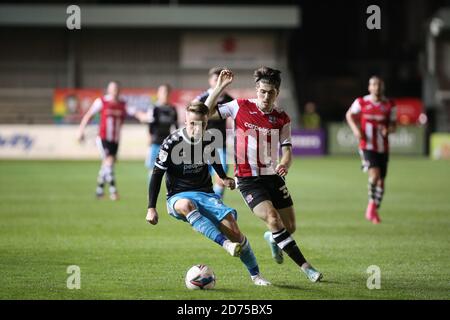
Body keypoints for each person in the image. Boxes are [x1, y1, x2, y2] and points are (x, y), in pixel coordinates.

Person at [204, 67, 323, 283]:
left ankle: (272, 238)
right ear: (257, 89)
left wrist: (285, 164)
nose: (266, 96)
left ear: (277, 93)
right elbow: (205, 112)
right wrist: (219, 87)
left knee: (290, 227)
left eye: (271, 93)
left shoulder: (282, 118)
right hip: (248, 180)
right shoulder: (239, 106)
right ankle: (307, 268)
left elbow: (287, 151)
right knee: (272, 218)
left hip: (272, 176)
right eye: (263, 91)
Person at [145, 101, 271, 286]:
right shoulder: (171, 142)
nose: (198, 128)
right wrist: (151, 208)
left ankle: (256, 276)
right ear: (185, 121)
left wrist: (223, 177)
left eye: (203, 124)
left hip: (206, 194)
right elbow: (156, 175)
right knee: (186, 205)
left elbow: (214, 160)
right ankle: (225, 245)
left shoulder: (209, 139)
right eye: (193, 124)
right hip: (178, 196)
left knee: (235, 232)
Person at [346, 76, 397, 224]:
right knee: (374, 175)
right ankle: (370, 206)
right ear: (369, 87)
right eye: (374, 84)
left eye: (379, 84)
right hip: (366, 145)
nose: (376, 87)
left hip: (383, 147)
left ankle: (374, 208)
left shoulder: (390, 105)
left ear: (383, 87)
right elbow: (349, 115)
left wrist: (389, 130)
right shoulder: (361, 102)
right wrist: (356, 130)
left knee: (381, 182)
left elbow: (394, 125)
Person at [77, 81, 136, 200]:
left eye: (117, 89)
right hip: (103, 138)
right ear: (108, 90)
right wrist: (80, 130)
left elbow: (135, 112)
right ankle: (113, 191)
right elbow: (89, 115)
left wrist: (146, 116)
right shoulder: (101, 101)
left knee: (107, 165)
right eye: (113, 89)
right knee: (109, 162)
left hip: (115, 139)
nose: (115, 91)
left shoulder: (123, 104)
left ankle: (99, 191)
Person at [193, 67, 234, 199]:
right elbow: (192, 117)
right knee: (202, 178)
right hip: (203, 145)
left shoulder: (229, 99)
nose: (218, 83)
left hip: (220, 144)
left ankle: (216, 202)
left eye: (220, 80)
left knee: (221, 177)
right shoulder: (202, 98)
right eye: (216, 80)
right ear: (210, 81)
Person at [135, 84, 178, 176]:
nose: (165, 94)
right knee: (153, 170)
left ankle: (169, 190)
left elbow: (176, 126)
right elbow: (150, 125)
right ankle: (152, 190)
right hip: (155, 142)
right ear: (158, 94)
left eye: (167, 92)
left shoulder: (172, 109)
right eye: (162, 92)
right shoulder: (154, 108)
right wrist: (149, 138)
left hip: (167, 143)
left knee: (170, 170)